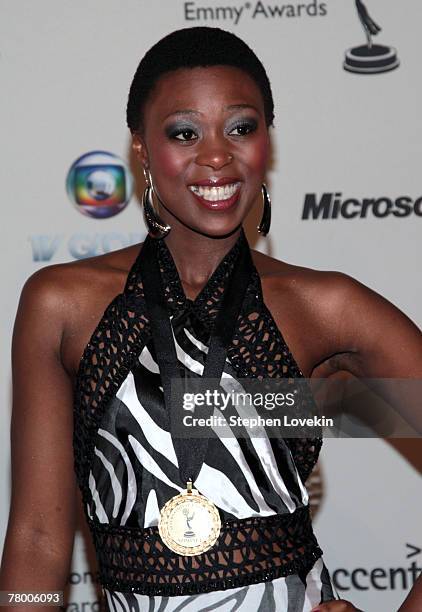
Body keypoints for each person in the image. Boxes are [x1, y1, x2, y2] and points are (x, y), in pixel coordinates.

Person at [0, 26, 421, 612]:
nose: (218, 154)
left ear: (267, 140)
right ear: (141, 147)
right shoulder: (61, 303)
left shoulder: (328, 307)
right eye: (184, 132)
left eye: (242, 127)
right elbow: (39, 538)